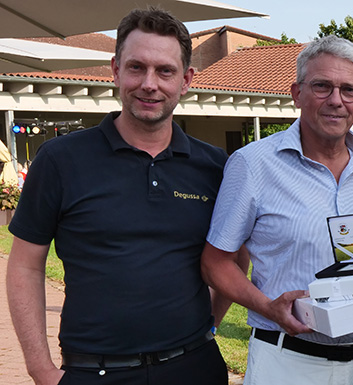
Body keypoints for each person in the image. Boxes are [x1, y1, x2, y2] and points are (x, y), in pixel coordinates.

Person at [6, 7, 234, 385]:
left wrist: (209, 324)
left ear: (186, 79)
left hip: (194, 367)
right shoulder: (61, 160)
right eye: (136, 67)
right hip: (92, 371)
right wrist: (40, 370)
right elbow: (26, 266)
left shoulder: (215, 166)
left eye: (165, 71)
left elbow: (232, 257)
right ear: (115, 70)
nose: (150, 84)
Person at [200, 35, 353, 385]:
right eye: (322, 86)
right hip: (288, 361)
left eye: (348, 90)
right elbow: (216, 263)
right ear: (296, 93)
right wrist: (266, 306)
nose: (336, 100)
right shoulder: (253, 164)